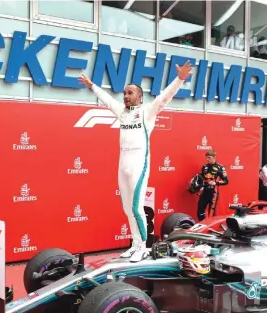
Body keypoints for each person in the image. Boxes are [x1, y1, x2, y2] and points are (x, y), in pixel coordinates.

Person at [78, 61, 192, 262]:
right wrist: (92, 86)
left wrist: (180, 79)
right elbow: (106, 99)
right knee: (127, 208)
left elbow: (166, 96)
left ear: (140, 96)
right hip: (123, 166)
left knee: (138, 208)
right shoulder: (122, 112)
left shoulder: (147, 112)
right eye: (124, 93)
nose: (125, 96)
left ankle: (144, 247)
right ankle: (135, 244)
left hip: (139, 166)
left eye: (130, 93)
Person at [197, 150, 229, 221]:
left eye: (209, 157)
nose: (207, 159)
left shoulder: (220, 167)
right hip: (204, 192)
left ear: (214, 157)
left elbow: (226, 181)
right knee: (200, 212)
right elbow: (201, 178)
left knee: (211, 214)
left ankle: (210, 230)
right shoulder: (204, 166)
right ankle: (203, 227)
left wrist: (216, 183)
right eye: (206, 158)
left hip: (213, 193)